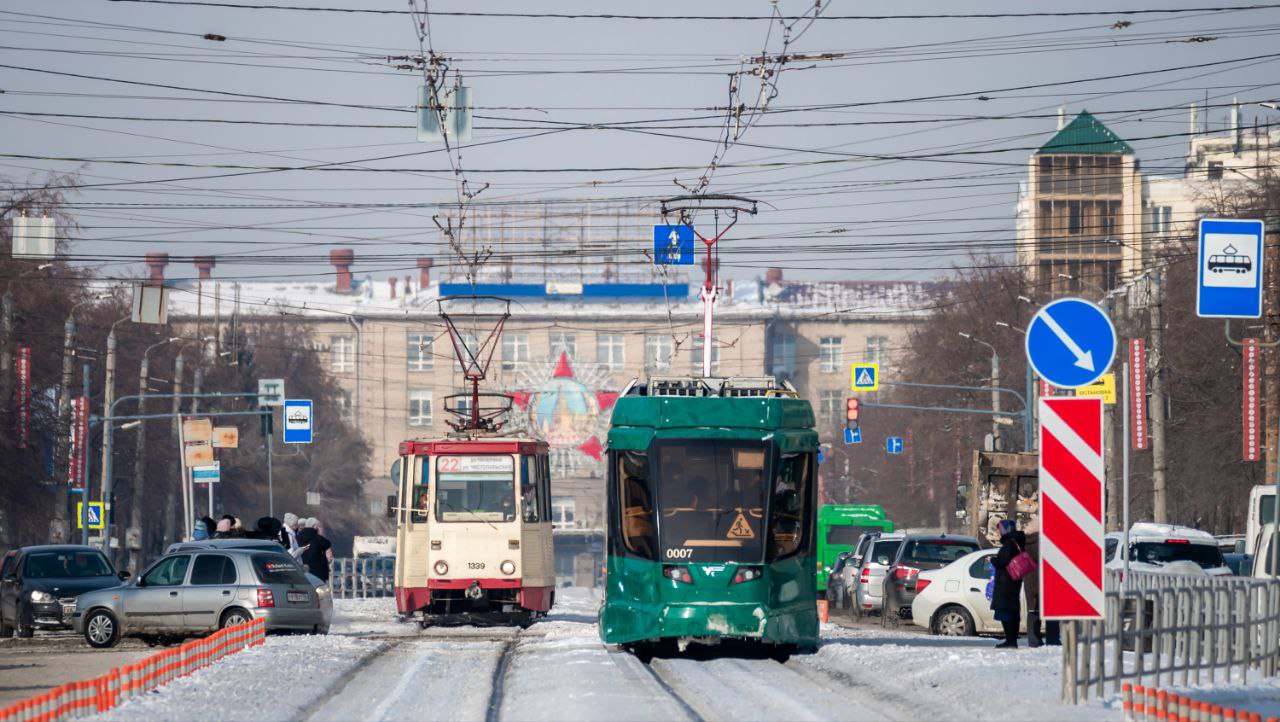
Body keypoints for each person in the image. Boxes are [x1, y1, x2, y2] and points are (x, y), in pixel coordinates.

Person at [990, 519, 1027, 649]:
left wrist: (993, 560)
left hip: (1006, 583)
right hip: (1014, 581)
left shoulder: (1009, 543)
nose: (1000, 532)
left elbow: (1003, 562)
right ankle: (1011, 640)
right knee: (1012, 611)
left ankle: (1010, 640)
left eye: (1001, 529)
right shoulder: (1017, 542)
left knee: (1005, 611)